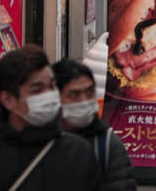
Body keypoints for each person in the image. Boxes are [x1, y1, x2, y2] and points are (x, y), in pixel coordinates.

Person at [0, 44, 102, 191]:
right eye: (37, 90)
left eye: (52, 86)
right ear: (8, 99)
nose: (49, 95)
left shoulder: (77, 153)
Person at [52, 59, 135, 191]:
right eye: (74, 95)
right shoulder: (41, 141)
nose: (84, 101)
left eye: (89, 92)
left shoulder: (106, 144)